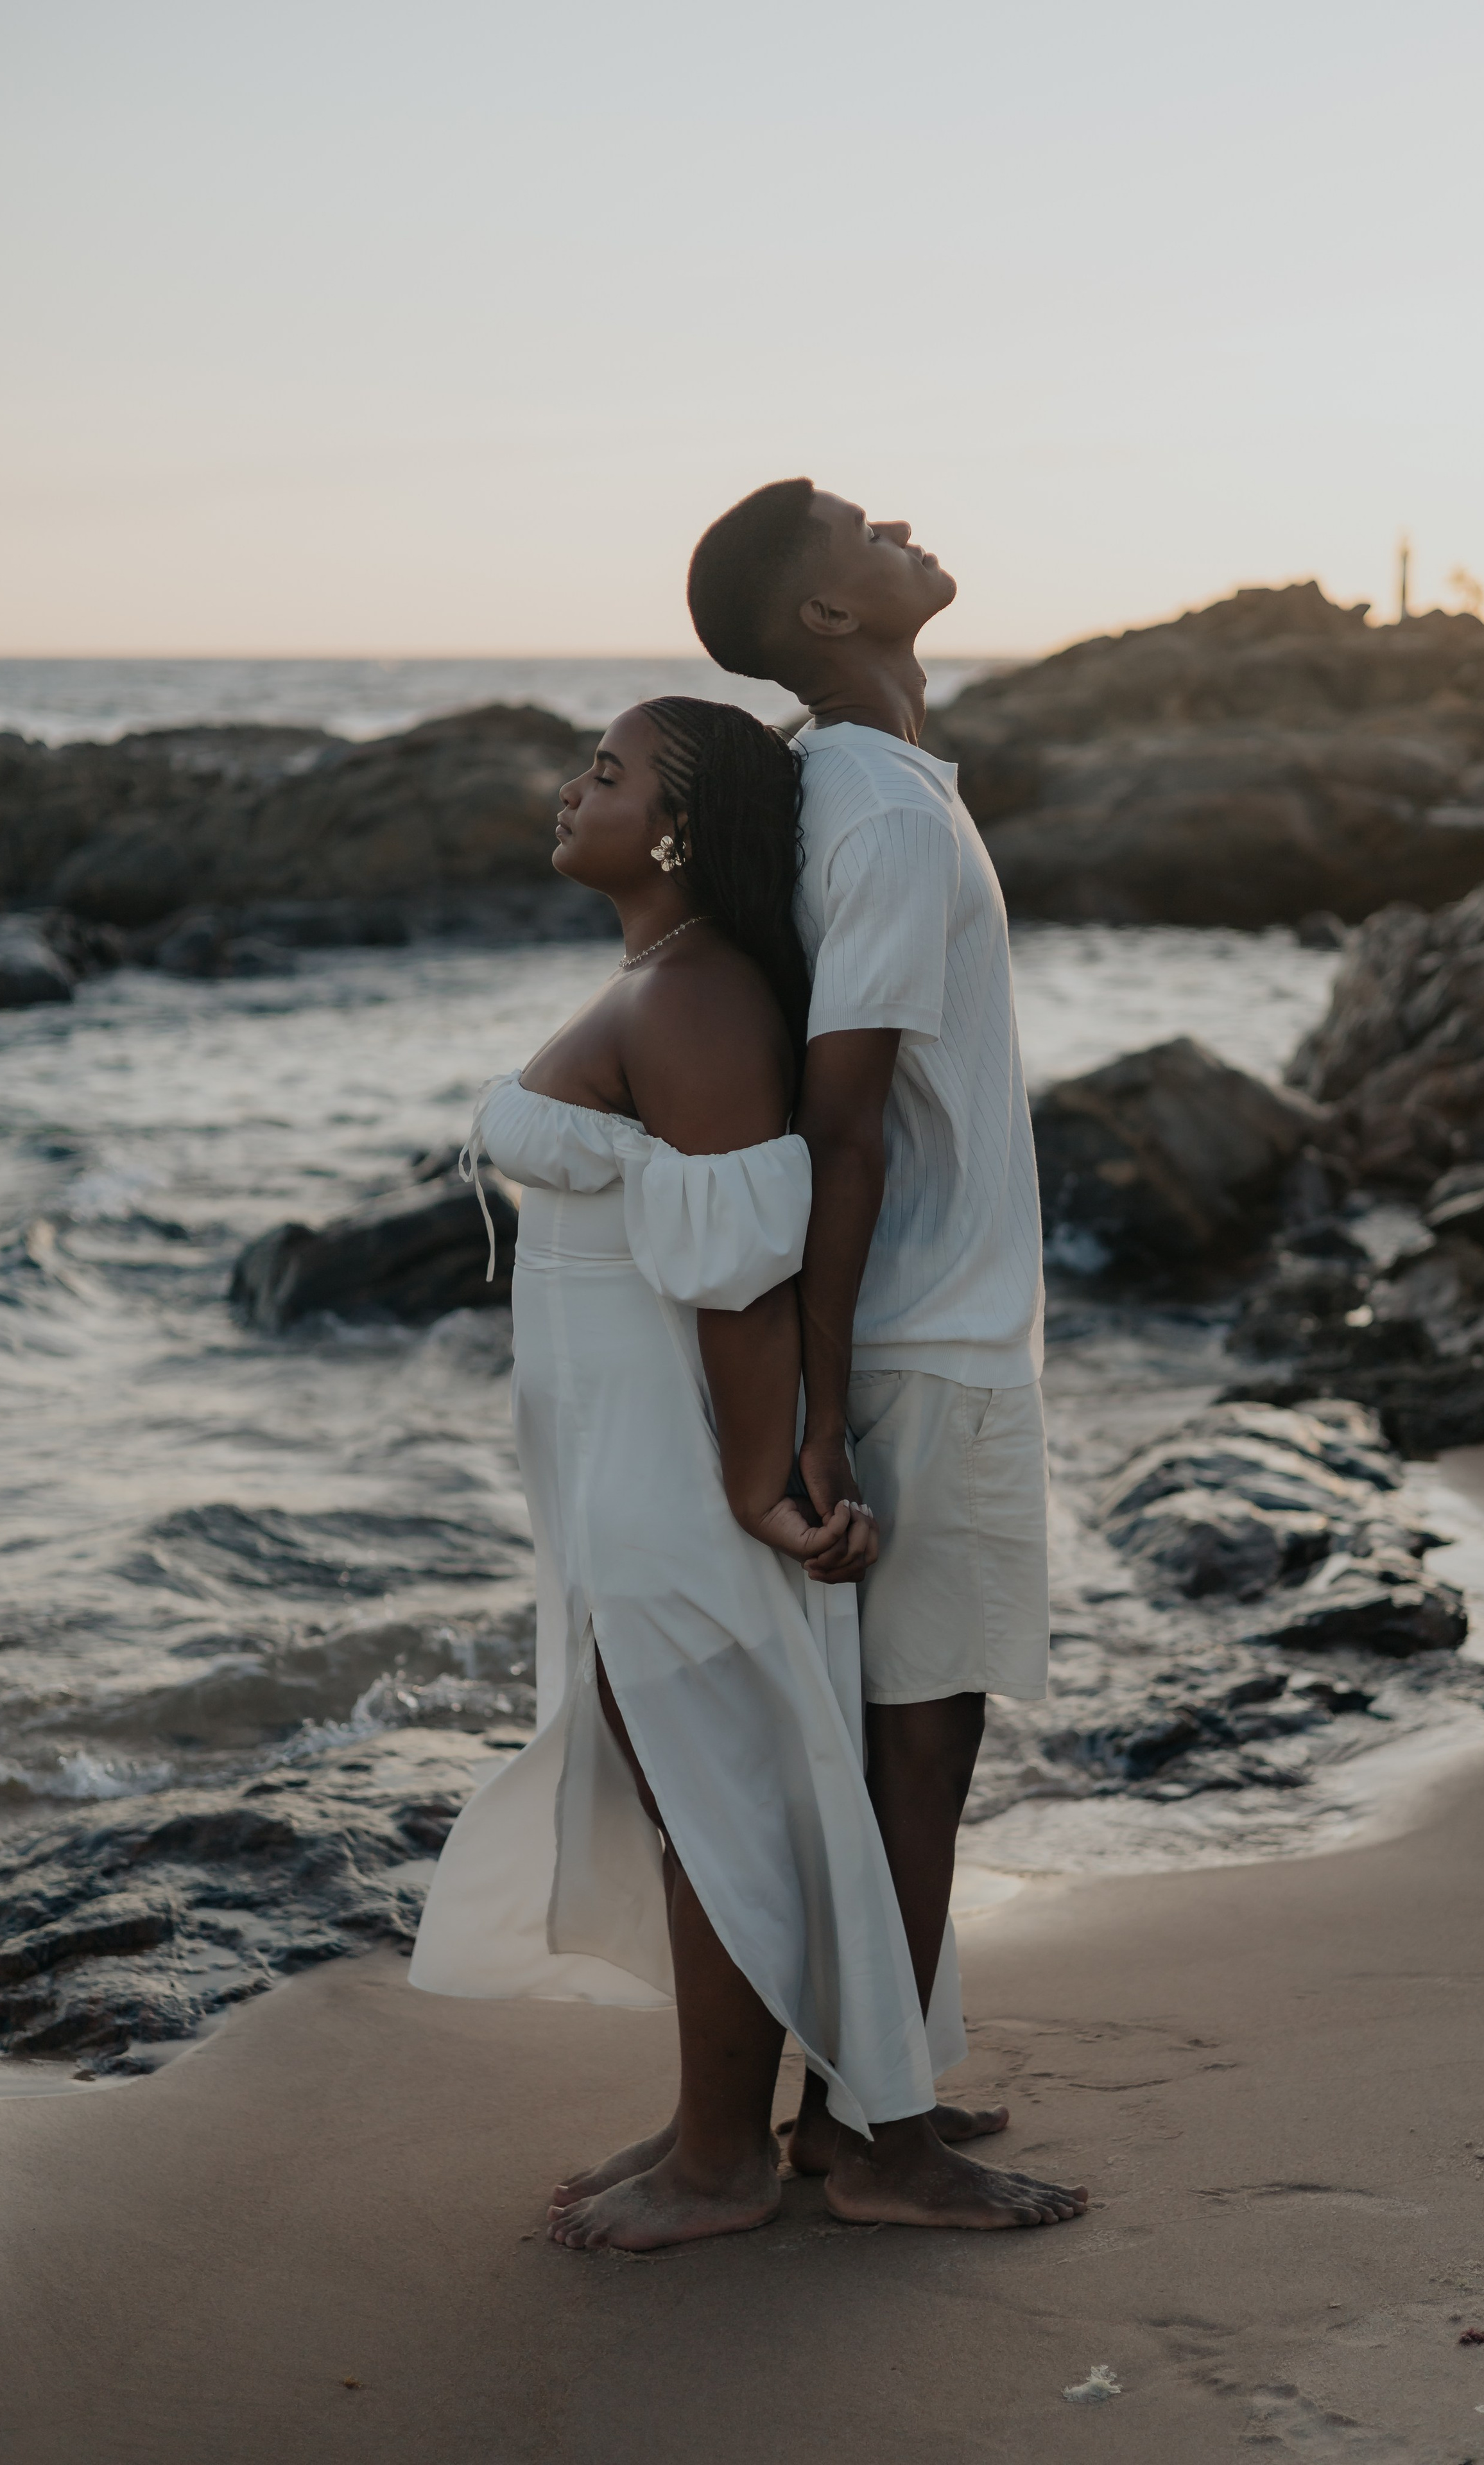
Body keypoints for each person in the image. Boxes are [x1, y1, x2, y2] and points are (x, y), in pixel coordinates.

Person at [409, 696, 1083, 2249]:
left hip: (670, 1449)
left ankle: (729, 2160)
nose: (570, 788)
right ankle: (726, 2120)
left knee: (709, 1787)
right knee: (699, 1782)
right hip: (618, 1443)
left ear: (671, 829)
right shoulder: (668, 977)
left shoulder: (700, 995)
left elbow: (739, 1279)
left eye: (606, 770)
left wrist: (750, 1475)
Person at [686, 484, 1064, 2207]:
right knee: (926, 1742)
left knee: (907, 1740)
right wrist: (824, 1412)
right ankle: (873, 2141)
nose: (896, 520)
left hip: (913, 1336)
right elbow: (845, 1127)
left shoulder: (869, 791)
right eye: (856, 520)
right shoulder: (889, 819)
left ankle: (868, 2093)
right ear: (826, 620)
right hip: (928, 1346)